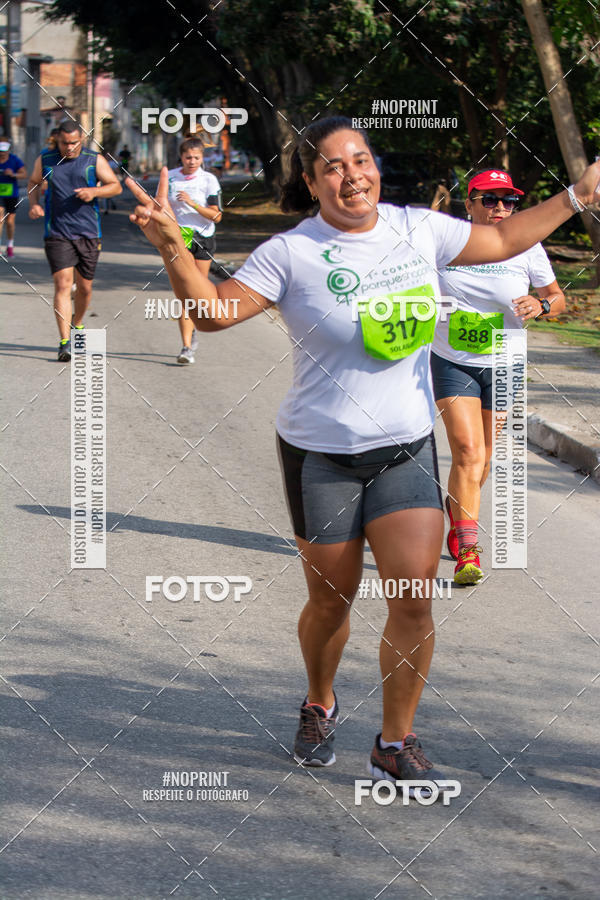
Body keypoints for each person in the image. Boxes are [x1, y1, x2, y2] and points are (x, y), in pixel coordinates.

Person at [125, 117, 599, 789]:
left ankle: (393, 741)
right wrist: (173, 245)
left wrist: (576, 196)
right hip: (321, 457)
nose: (353, 174)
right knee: (331, 604)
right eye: (334, 166)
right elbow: (214, 314)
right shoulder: (291, 253)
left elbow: (500, 239)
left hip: (404, 449)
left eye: (362, 159)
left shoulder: (417, 228)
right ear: (312, 182)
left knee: (412, 600)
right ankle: (320, 701)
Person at [431, 170, 565, 585]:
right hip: (452, 360)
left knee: (485, 458)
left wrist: (541, 306)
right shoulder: (445, 241)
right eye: (489, 200)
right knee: (468, 452)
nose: (500, 208)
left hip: (505, 360)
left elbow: (557, 298)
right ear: (469, 203)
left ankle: (459, 520)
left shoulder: (527, 245)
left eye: (508, 200)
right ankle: (469, 551)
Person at [28, 119, 122, 361]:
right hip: (57, 232)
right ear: (57, 140)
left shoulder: (94, 160)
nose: (69, 147)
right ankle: (64, 342)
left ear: (82, 139)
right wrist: (35, 204)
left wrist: (95, 192)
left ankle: (77, 322)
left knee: (85, 288)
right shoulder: (46, 159)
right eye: (64, 143)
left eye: (73, 143)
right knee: (62, 284)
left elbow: (115, 186)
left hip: (88, 232)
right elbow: (33, 182)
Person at [167, 136, 222, 364]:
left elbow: (216, 215)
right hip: (180, 238)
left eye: (196, 157)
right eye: (188, 157)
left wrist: (192, 203)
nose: (192, 161)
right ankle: (186, 346)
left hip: (203, 237)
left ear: (202, 158)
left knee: (198, 293)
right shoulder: (170, 177)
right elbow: (161, 206)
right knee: (184, 293)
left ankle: (194, 328)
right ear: (181, 157)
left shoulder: (209, 180)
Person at [0, 139, 27, 258]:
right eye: (0, 151)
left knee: (10, 221)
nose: (2, 154)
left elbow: (24, 174)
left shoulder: (14, 160)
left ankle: (10, 246)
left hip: (12, 194)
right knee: (0, 217)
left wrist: (13, 174)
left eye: (4, 152)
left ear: (8, 151)